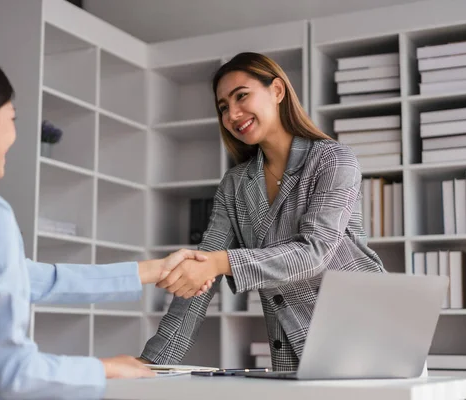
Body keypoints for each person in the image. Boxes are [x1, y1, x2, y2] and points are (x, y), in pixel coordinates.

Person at [0, 49, 214, 399]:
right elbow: (15, 373)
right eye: (12, 118)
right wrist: (107, 368)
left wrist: (153, 270)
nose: (14, 136)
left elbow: (39, 278)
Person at [138, 52, 386, 371]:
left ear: (277, 91)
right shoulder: (235, 184)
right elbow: (201, 275)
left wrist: (219, 263)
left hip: (366, 333)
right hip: (293, 347)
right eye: (223, 107)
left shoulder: (333, 160)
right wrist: (150, 364)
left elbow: (315, 253)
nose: (233, 114)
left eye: (242, 96)